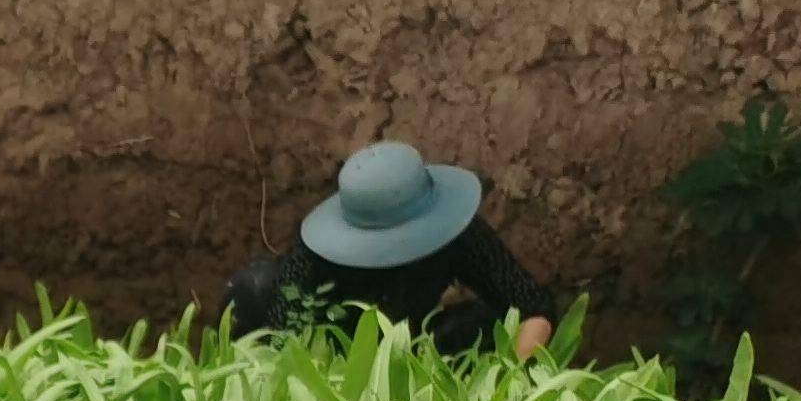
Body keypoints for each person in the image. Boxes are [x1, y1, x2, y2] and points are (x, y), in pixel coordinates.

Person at [226, 142, 559, 359]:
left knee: (488, 323)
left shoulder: (456, 231)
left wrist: (506, 387)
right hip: (339, 350)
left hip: (415, 345)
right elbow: (287, 340)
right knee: (254, 288)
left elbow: (531, 306)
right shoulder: (313, 260)